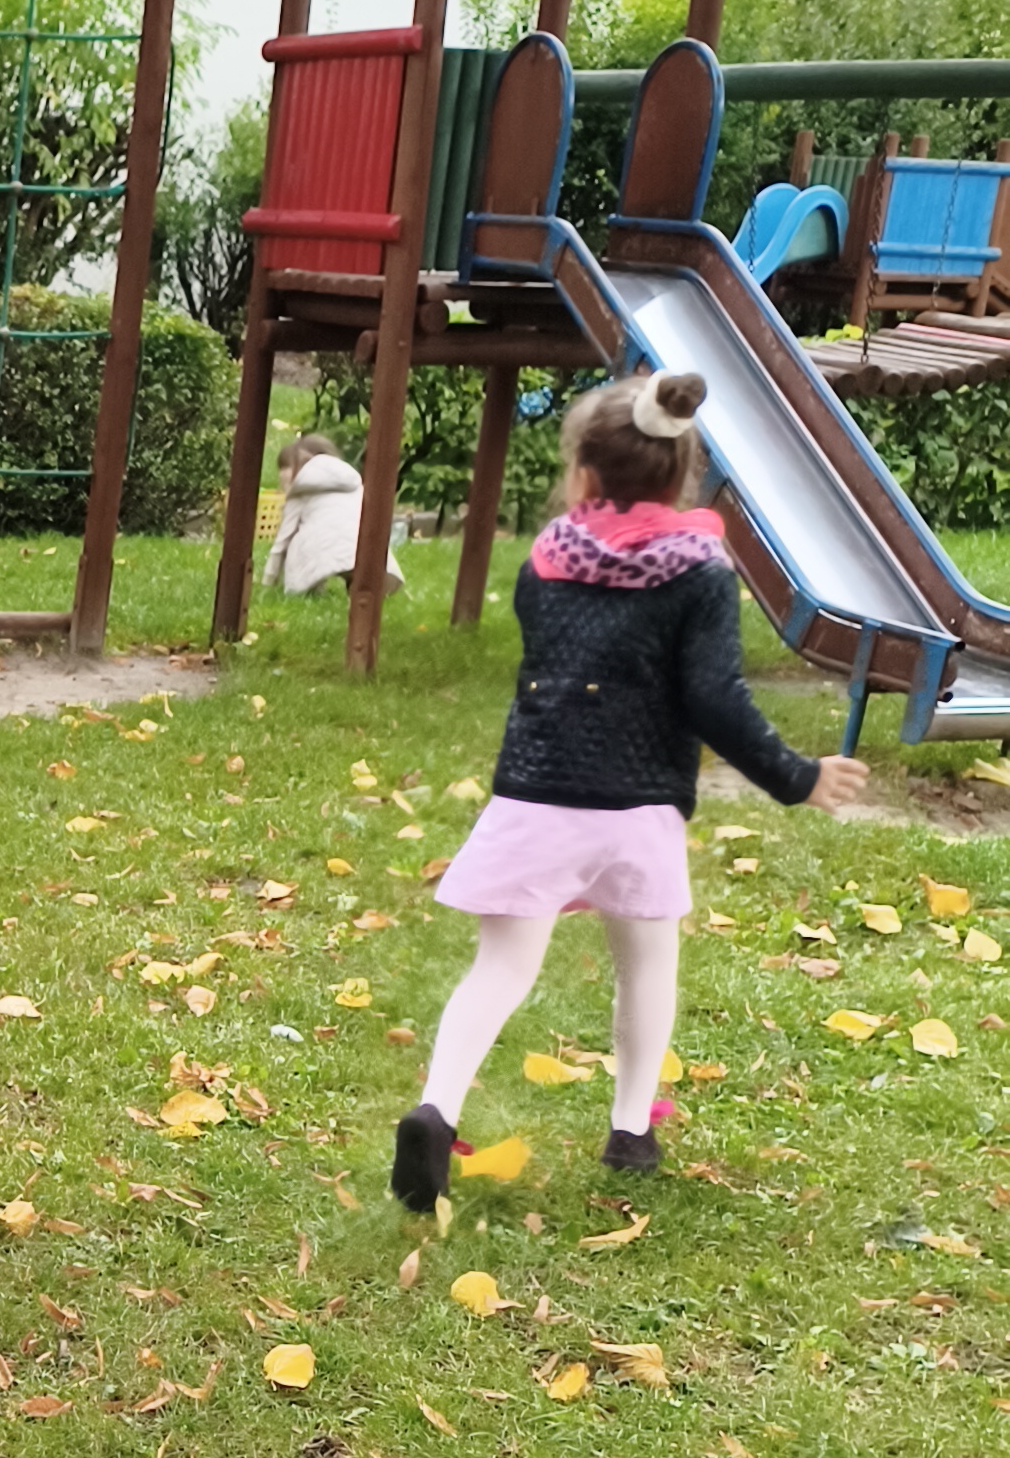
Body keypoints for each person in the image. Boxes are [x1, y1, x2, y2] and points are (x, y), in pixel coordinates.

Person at [392, 368, 869, 1214]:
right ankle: (630, 1130)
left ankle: (436, 1109)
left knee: (499, 968)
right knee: (646, 966)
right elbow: (714, 697)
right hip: (638, 808)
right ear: (681, 471)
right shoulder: (701, 572)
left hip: (535, 796)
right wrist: (797, 777)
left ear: (583, 471)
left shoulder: (546, 562)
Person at [263, 426, 402, 602]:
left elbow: (282, 541)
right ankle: (359, 588)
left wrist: (269, 579)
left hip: (319, 550)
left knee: (302, 539)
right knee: (353, 558)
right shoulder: (355, 486)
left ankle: (311, 588)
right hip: (365, 548)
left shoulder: (301, 494)